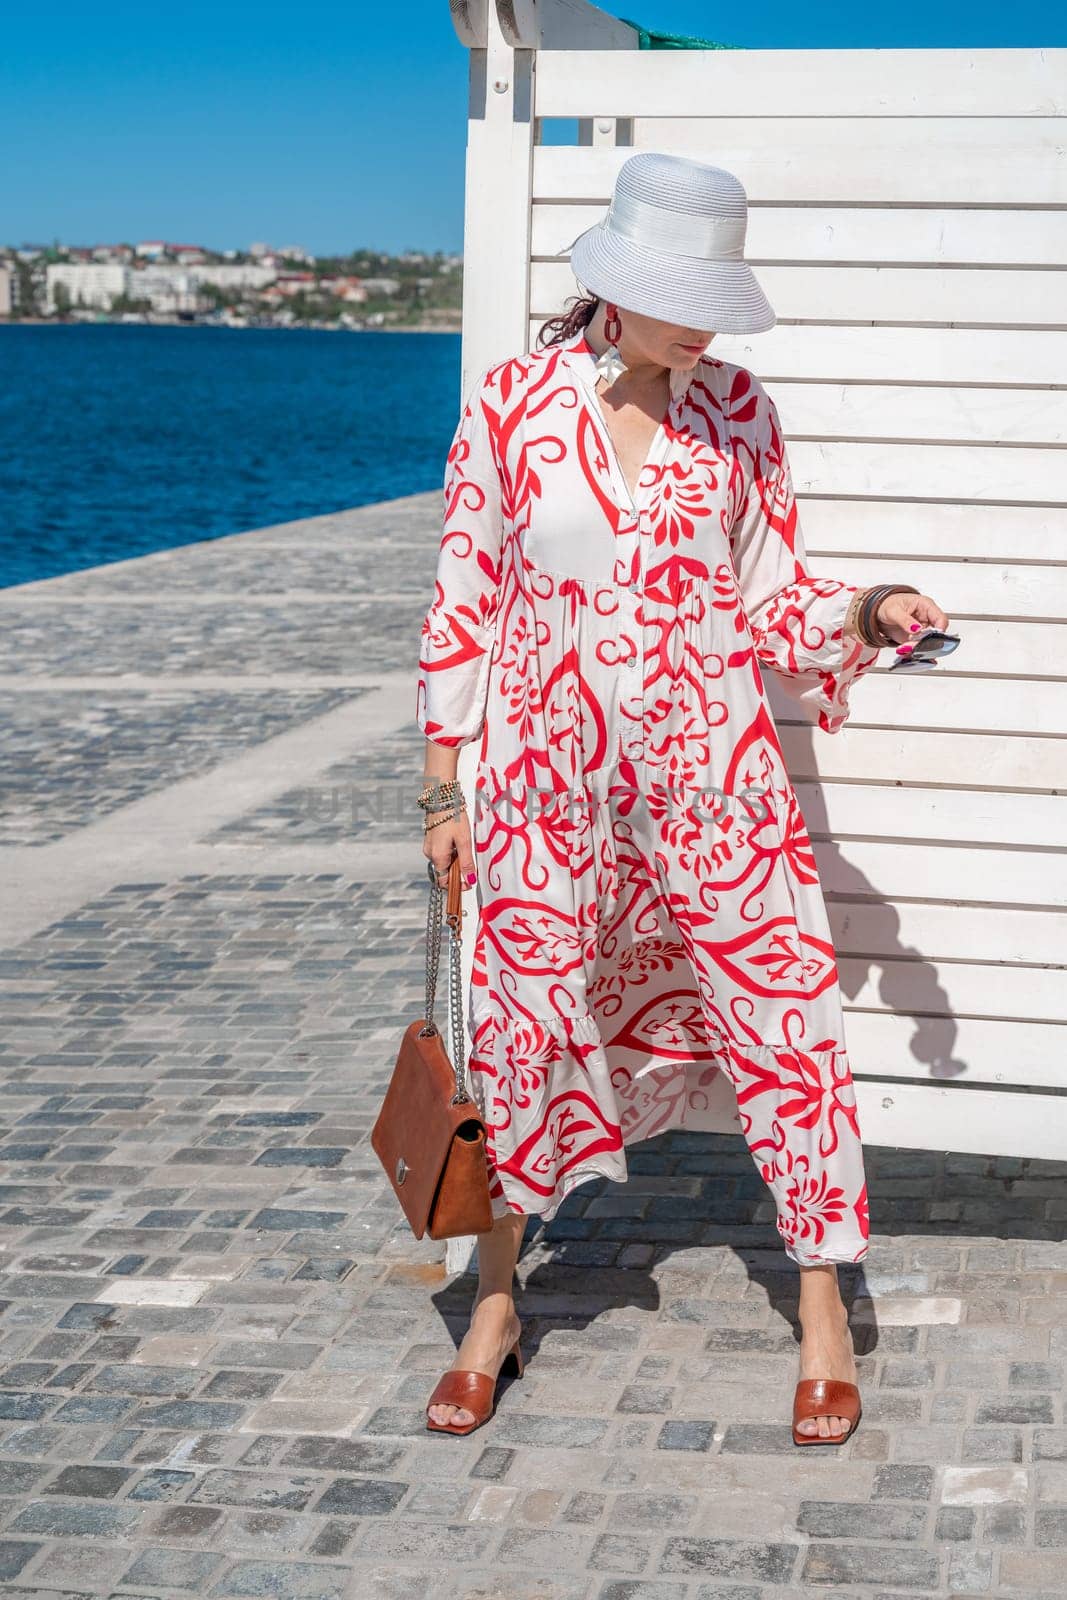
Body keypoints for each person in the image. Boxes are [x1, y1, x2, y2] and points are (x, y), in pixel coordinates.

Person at [415, 153, 951, 1445]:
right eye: (679, 292)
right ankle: (496, 1305)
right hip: (548, 799)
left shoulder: (740, 415)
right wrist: (443, 788)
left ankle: (823, 1309)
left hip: (714, 791)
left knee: (784, 1034)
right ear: (615, 280)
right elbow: (463, 601)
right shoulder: (511, 407)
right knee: (523, 1034)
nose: (700, 321)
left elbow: (772, 597)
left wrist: (869, 612)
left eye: (715, 294)